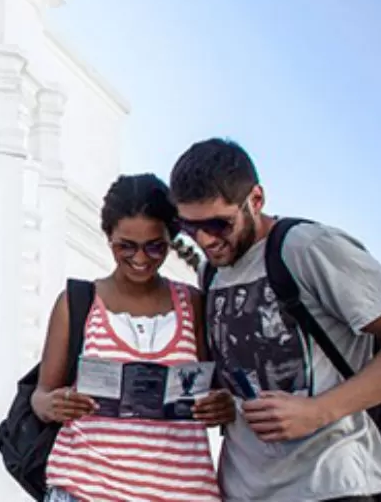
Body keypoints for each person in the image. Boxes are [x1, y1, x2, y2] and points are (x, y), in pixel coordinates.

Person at [170, 138, 381, 502]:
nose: (205, 240)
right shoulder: (211, 273)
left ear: (256, 200)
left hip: (334, 485)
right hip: (244, 491)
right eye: (189, 227)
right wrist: (219, 400)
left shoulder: (308, 247)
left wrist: (319, 411)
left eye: (219, 224)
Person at [34, 173, 233, 502]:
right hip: (86, 489)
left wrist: (220, 405)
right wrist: (54, 404)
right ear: (107, 235)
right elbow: (41, 395)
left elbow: (217, 392)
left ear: (172, 238)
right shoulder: (77, 302)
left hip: (182, 492)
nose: (140, 259)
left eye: (155, 247)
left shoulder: (194, 305)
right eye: (126, 246)